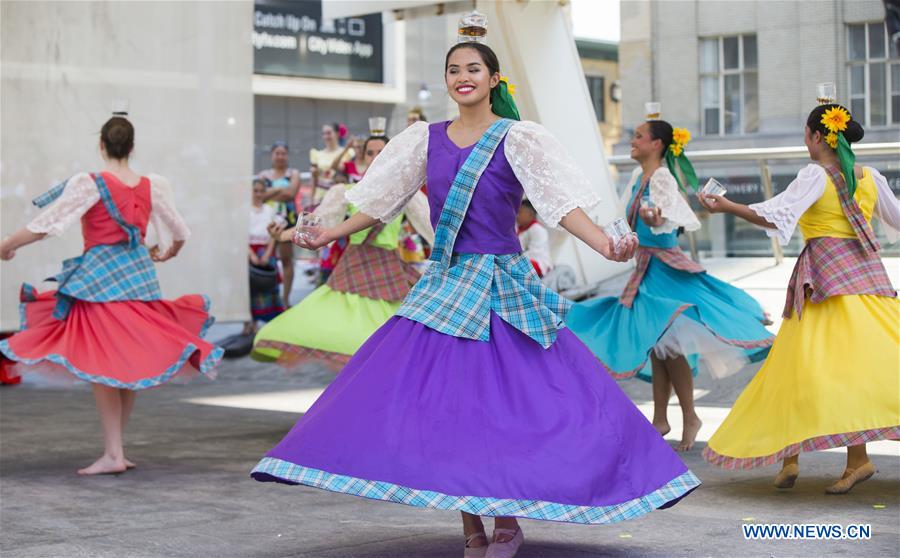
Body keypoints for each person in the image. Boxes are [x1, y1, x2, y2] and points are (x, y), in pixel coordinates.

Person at [251, 17, 699, 558]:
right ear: (447, 81)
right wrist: (329, 232)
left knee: (510, 407)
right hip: (447, 288)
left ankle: (507, 521)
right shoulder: (424, 140)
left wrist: (605, 245)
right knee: (452, 411)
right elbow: (380, 204)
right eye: (453, 69)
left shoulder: (518, 138)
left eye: (473, 69)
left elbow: (560, 207)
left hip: (503, 290)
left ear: (493, 79)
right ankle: (472, 524)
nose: (462, 77)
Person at [0, 114, 222, 475]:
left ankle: (114, 454)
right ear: (132, 148)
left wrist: (7, 244)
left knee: (103, 362)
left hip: (100, 280)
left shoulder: (90, 183)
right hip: (138, 278)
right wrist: (169, 251)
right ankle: (116, 449)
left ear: (101, 145)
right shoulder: (153, 185)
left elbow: (48, 224)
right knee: (125, 359)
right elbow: (180, 231)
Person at [699, 101, 900, 494]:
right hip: (865, 280)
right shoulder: (869, 176)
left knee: (805, 368)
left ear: (814, 136)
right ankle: (817, 458)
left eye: (806, 134)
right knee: (850, 369)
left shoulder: (814, 175)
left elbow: (775, 214)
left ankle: (816, 458)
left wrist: (726, 206)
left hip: (825, 281)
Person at [566, 111, 774, 452]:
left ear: (656, 144)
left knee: (667, 343)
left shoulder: (661, 178)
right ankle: (662, 419)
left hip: (664, 268)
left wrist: (655, 216)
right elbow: (624, 216)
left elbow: (667, 215)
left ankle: (687, 415)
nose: (632, 141)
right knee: (659, 344)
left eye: (638, 136)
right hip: (647, 267)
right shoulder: (638, 175)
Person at [252, 133, 433, 368]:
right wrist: (282, 235)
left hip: (388, 270)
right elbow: (317, 224)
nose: (376, 157)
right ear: (363, 156)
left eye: (382, 152)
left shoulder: (407, 194)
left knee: (392, 336)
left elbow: (434, 226)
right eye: (370, 152)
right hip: (353, 267)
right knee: (346, 328)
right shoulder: (346, 191)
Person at [258, 141, 301, 307]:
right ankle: (269, 299)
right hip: (266, 222)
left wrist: (271, 192)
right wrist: (280, 191)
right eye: (277, 153)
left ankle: (285, 298)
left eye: (283, 153)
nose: (280, 156)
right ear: (272, 155)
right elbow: (260, 196)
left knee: (286, 260)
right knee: (266, 259)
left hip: (288, 222)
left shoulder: (293, 173)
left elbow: (291, 193)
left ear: (287, 155)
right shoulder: (263, 175)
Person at [246, 177, 285, 333]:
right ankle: (249, 323)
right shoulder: (244, 210)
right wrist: (251, 255)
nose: (259, 194)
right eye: (255, 191)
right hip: (249, 252)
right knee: (249, 290)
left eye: (262, 191)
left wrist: (268, 253)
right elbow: (240, 235)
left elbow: (273, 236)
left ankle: (269, 324)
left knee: (268, 289)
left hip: (266, 250)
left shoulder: (270, 211)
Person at [516, 199, 551, 277]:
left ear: (530, 214)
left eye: (519, 212)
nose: (517, 215)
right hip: (522, 261)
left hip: (538, 264)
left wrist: (515, 258)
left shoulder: (538, 230)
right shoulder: (518, 229)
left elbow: (535, 254)